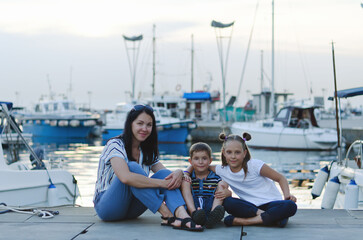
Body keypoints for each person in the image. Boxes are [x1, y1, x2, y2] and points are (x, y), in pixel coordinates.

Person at [93, 104, 203, 231]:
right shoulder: (115, 145)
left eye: (149, 125)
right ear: (130, 124)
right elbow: (125, 177)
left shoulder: (146, 150)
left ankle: (182, 215)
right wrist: (162, 184)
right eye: (140, 123)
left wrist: (179, 172)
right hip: (108, 207)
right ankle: (168, 215)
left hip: (132, 210)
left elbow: (165, 174)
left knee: (165, 174)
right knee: (132, 167)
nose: (144, 129)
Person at [211, 132, 297, 227]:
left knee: (290, 205)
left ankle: (244, 221)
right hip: (250, 207)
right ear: (223, 153)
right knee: (228, 202)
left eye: (237, 152)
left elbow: (280, 178)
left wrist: (287, 196)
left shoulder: (254, 165)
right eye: (229, 152)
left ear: (244, 153)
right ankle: (271, 218)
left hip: (271, 203)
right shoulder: (222, 170)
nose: (233, 156)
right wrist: (190, 172)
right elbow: (200, 166)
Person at [181, 142, 230, 229]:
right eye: (196, 159)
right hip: (194, 207)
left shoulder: (215, 177)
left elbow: (225, 187)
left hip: (210, 205)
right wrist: (185, 176)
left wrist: (226, 190)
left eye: (204, 158)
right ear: (190, 161)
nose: (200, 162)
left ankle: (213, 215)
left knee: (222, 183)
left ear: (210, 161)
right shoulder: (189, 177)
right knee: (184, 181)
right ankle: (194, 214)